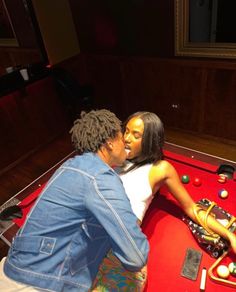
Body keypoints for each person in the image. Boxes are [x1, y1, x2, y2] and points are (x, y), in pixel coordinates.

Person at [0, 109, 149, 292]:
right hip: (38, 284)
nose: (125, 141)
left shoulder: (69, 165)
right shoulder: (101, 178)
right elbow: (136, 257)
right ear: (110, 142)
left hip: (11, 268)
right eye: (121, 135)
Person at [92, 111, 236, 290]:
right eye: (126, 131)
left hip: (117, 244)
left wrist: (230, 236)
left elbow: (191, 208)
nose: (126, 138)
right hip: (89, 228)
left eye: (135, 135)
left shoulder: (160, 169)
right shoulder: (113, 155)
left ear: (150, 141)